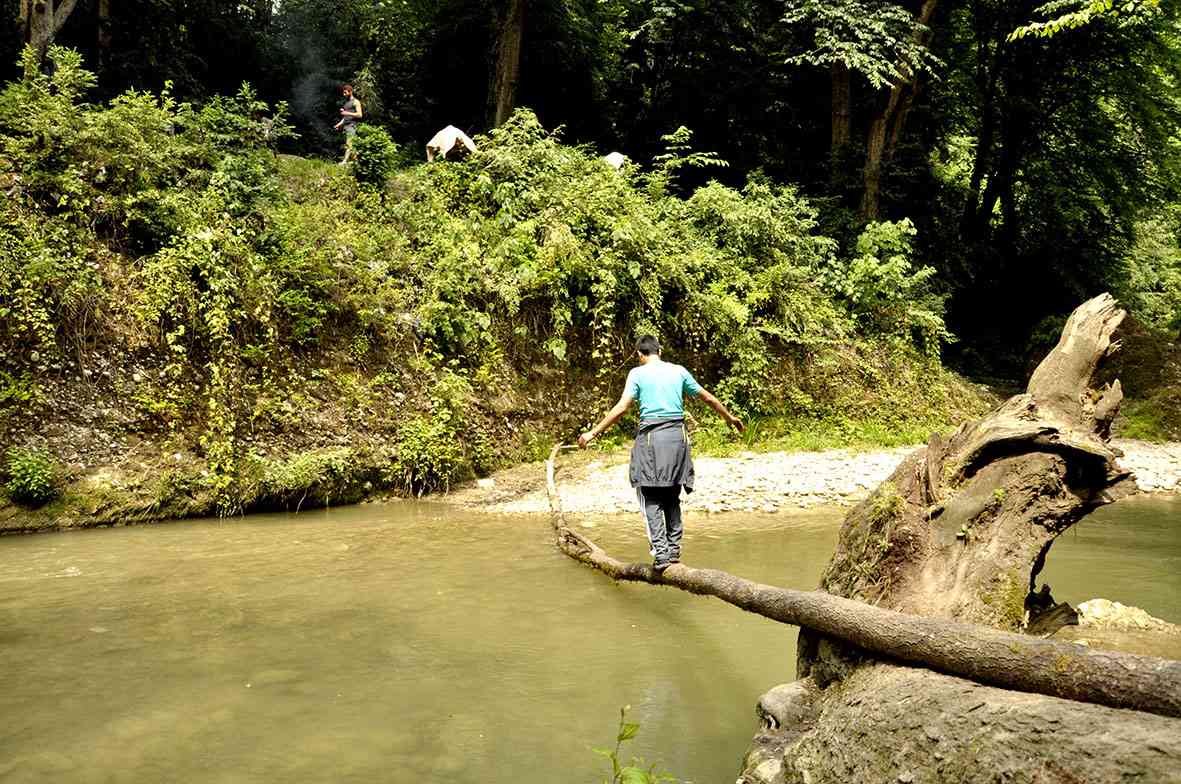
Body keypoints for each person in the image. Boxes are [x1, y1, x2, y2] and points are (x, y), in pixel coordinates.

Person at [578, 335, 744, 571]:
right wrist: (729, 417)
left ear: (639, 354)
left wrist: (592, 433)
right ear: (660, 351)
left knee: (650, 497)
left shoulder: (637, 374)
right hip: (678, 440)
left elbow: (622, 408)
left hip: (651, 441)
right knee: (671, 495)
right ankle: (674, 551)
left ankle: (662, 556)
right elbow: (706, 397)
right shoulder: (679, 371)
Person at [333, 84, 363, 165]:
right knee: (352, 147)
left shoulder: (356, 102)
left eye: (345, 92)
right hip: (346, 127)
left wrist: (347, 112)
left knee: (349, 144)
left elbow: (360, 115)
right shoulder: (347, 103)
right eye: (343, 93)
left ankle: (344, 162)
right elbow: (345, 117)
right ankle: (357, 164)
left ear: (350, 92)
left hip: (352, 126)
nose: (344, 94)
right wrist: (338, 124)